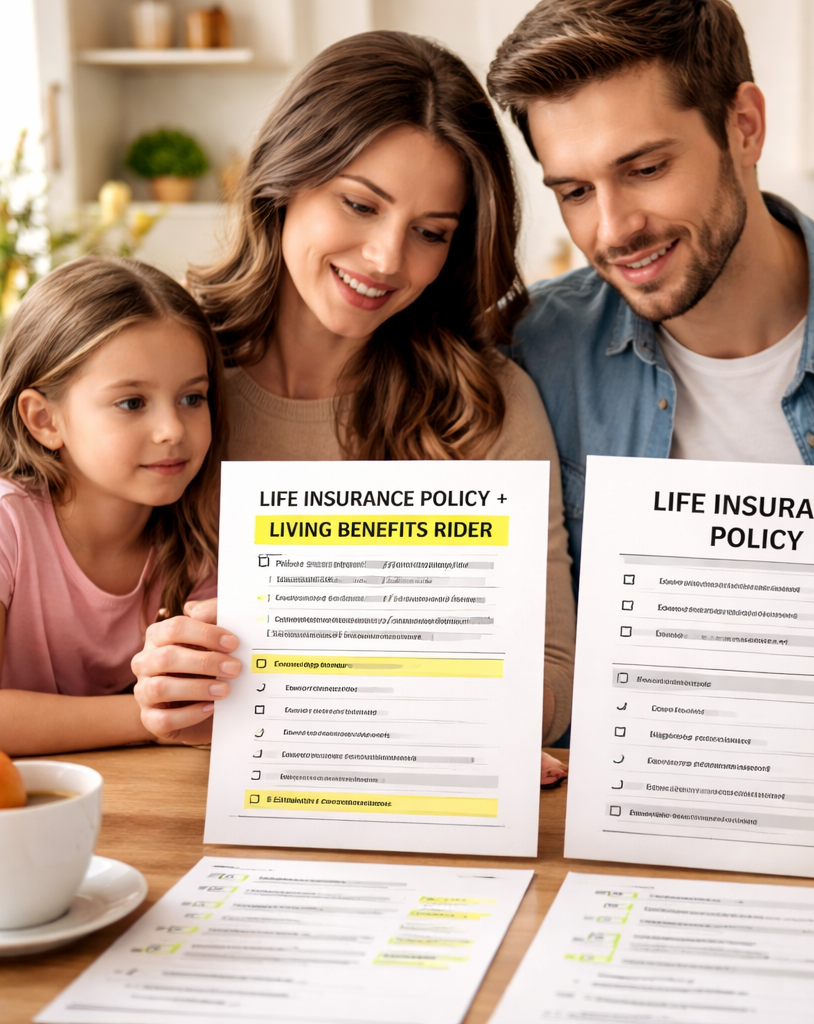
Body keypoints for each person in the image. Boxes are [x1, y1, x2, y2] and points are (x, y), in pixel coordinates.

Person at [486, 0, 814, 764]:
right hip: (630, 830)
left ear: (744, 125)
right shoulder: (529, 351)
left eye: (645, 169)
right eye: (574, 191)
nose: (612, 229)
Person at [131, 32, 576, 761]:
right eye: (360, 205)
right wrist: (154, 693)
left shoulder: (482, 405)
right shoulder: (163, 378)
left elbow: (553, 678)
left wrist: (427, 709)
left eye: (430, 233)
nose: (387, 260)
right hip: (175, 806)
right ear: (285, 175)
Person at [0, 257, 223, 755]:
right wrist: (153, 717)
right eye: (132, 403)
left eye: (192, 398)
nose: (172, 430)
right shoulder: (7, 525)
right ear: (44, 420)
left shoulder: (198, 545)